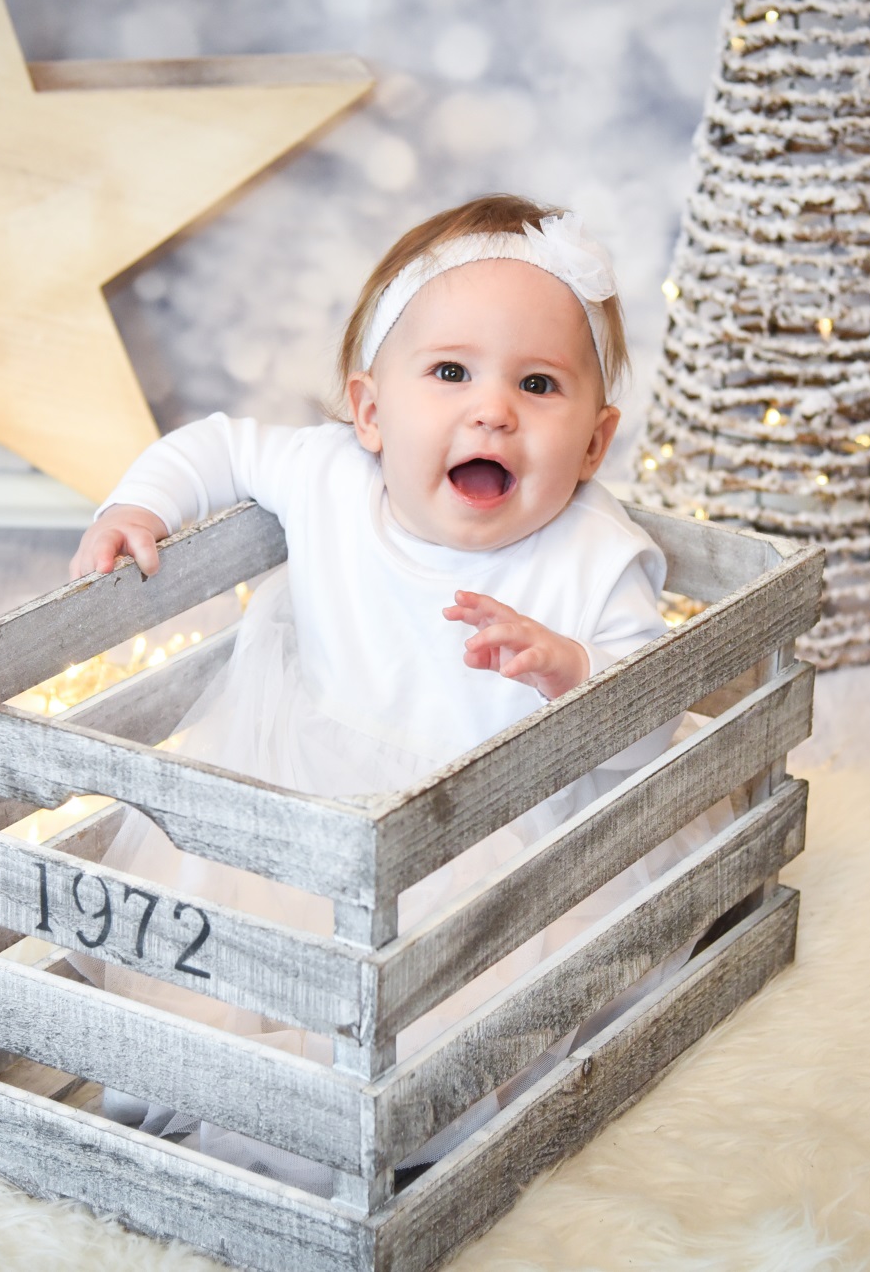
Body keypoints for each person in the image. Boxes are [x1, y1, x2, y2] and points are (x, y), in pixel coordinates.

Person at [66, 194, 713, 1190]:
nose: (491, 409)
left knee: (464, 1008)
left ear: (593, 443)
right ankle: (199, 1069)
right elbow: (220, 445)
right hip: (307, 798)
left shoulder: (597, 556)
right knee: (220, 919)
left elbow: (645, 735)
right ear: (370, 411)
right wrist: (138, 504)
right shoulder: (328, 476)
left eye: (538, 383)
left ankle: (372, 1116)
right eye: (450, 372)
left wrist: (572, 671)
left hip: (499, 840)